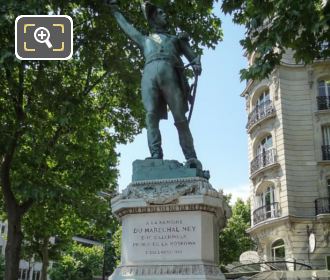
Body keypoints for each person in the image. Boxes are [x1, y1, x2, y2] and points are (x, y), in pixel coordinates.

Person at [108, 0, 202, 167]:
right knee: (151, 116)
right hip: (149, 75)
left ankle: (191, 157)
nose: (164, 15)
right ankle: (156, 154)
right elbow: (127, 28)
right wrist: (115, 10)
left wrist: (196, 63)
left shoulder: (176, 39)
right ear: (152, 19)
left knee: (180, 118)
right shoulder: (145, 40)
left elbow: (193, 58)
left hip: (170, 74)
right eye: (160, 13)